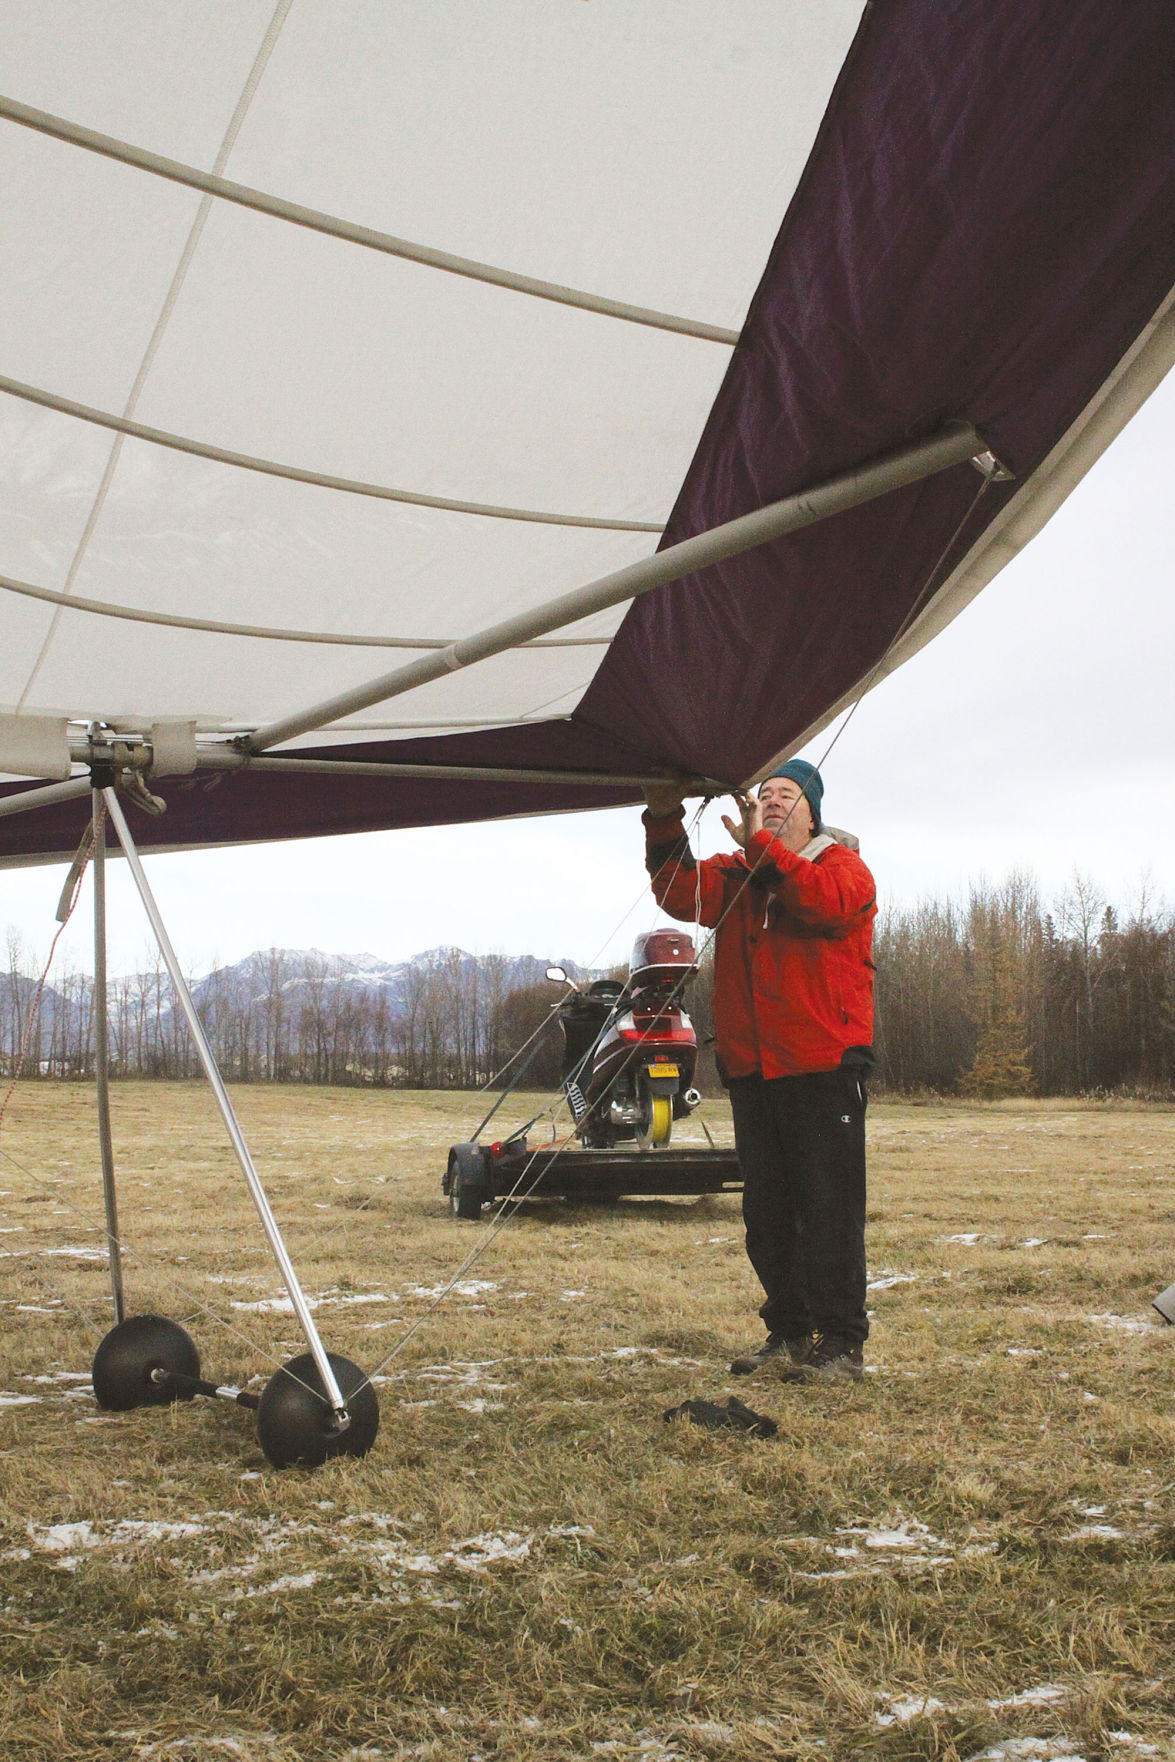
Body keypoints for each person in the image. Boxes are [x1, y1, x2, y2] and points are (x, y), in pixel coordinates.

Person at [642, 761, 876, 1381]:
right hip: (754, 1069)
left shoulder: (843, 869)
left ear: (812, 810)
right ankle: (792, 1331)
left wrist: (761, 849)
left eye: (786, 794)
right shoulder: (740, 872)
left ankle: (842, 1343)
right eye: (764, 793)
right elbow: (678, 891)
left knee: (828, 1208)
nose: (771, 802)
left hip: (823, 1067)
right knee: (767, 1215)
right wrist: (664, 818)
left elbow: (822, 907)